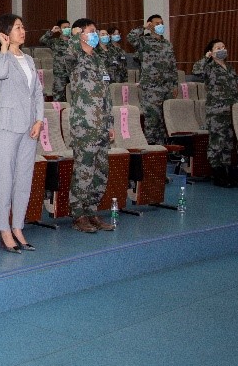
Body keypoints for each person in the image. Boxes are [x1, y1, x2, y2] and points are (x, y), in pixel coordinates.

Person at [0, 14, 44, 252]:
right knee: (5, 178)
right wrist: (4, 48)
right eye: (17, 28)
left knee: (24, 178)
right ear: (5, 33)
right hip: (7, 125)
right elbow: (0, 73)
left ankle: (18, 226)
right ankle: (3, 228)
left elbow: (38, 92)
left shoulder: (29, 59)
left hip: (29, 126)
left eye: (23, 27)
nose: (22, 31)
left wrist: (39, 120)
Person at [65, 19, 115, 233]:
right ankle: (78, 215)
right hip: (84, 124)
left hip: (102, 124)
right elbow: (68, 52)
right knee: (84, 170)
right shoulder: (74, 57)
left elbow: (106, 95)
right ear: (81, 35)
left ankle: (92, 211)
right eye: (92, 31)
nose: (96, 35)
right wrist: (76, 37)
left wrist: (110, 123)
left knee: (100, 171)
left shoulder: (99, 60)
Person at [192, 39, 238, 187]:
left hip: (231, 110)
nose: (222, 50)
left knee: (228, 143)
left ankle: (227, 171)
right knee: (217, 143)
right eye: (218, 48)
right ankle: (217, 173)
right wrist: (205, 58)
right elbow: (196, 70)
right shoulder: (209, 67)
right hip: (216, 111)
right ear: (211, 52)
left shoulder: (230, 68)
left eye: (223, 47)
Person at [127, 15, 178, 145]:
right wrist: (143, 27)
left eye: (161, 23)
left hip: (167, 88)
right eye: (157, 23)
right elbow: (130, 37)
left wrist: (175, 85)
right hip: (151, 88)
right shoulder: (144, 41)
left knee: (165, 121)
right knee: (152, 120)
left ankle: (163, 149)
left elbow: (172, 65)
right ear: (150, 25)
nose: (160, 25)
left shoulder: (167, 44)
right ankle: (150, 148)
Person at [40, 18, 72, 102]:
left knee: (73, 97)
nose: (67, 29)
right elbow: (42, 40)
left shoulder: (73, 42)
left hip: (72, 73)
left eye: (69, 27)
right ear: (60, 29)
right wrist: (52, 32)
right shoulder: (55, 42)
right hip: (60, 74)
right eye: (65, 27)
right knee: (58, 98)